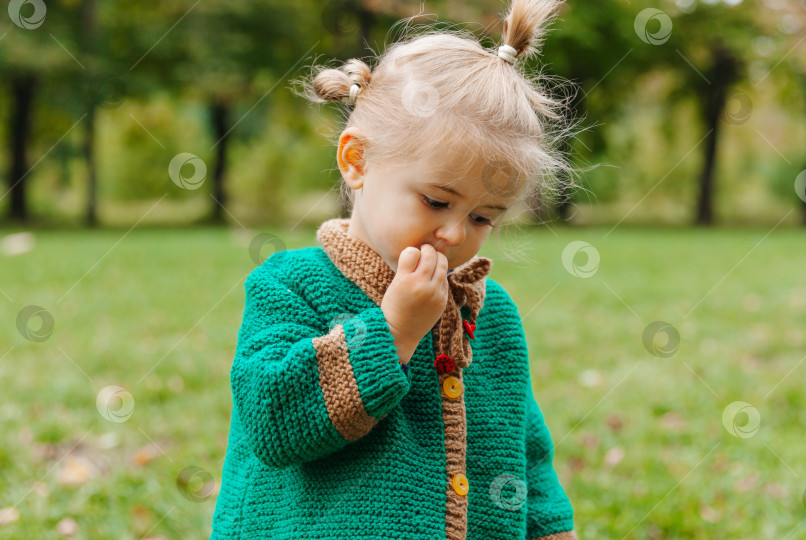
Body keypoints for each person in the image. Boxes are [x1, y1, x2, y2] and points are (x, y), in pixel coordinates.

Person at [210, 0, 584, 538]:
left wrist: (550, 528)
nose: (454, 234)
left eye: (482, 217)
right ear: (356, 161)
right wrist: (391, 332)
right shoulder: (291, 286)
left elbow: (523, 446)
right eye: (436, 201)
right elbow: (273, 421)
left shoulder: (492, 315)